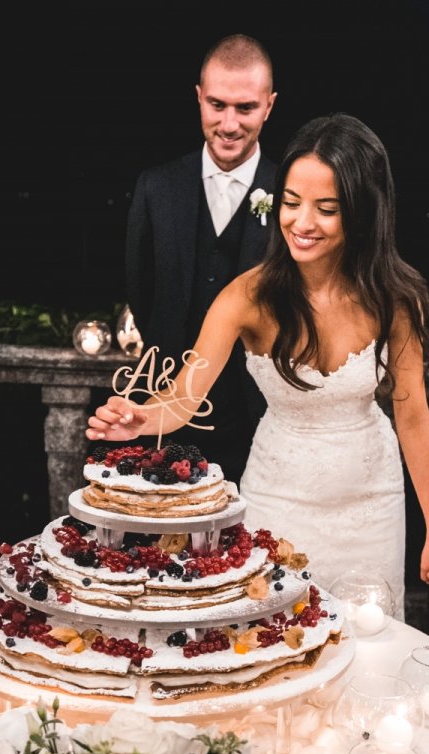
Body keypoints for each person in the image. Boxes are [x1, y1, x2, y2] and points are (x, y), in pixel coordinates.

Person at [88, 112, 429, 616]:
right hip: (279, 497)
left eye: (326, 208)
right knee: (271, 642)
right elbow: (183, 398)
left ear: (363, 213)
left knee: (368, 639)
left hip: (372, 503)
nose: (301, 222)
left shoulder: (394, 297)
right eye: (291, 202)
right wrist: (142, 418)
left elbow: (414, 414)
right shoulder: (247, 296)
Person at [124, 33, 277, 485]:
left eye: (246, 108)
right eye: (217, 105)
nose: (229, 124)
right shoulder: (155, 187)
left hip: (260, 418)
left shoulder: (292, 191)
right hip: (165, 411)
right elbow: (141, 289)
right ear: (198, 98)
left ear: (269, 105)